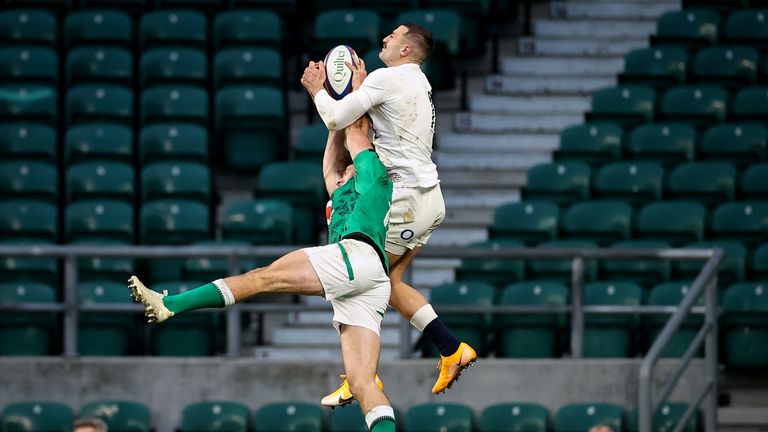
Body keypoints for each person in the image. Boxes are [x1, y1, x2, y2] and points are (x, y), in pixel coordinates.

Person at [128, 116, 397, 432]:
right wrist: (332, 117)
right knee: (362, 381)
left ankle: (170, 305)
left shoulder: (374, 173)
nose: (344, 168)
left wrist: (343, 99)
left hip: (355, 255)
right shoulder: (340, 190)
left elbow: (355, 133)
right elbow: (331, 161)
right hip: (369, 279)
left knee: (260, 277)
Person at [300, 23, 476, 405]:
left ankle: (363, 377)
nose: (385, 39)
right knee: (389, 281)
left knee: (362, 280)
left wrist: (318, 91)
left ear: (407, 50)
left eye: (393, 37)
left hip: (407, 199)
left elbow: (335, 119)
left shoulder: (388, 78)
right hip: (426, 199)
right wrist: (362, 90)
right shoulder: (416, 83)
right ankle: (450, 349)